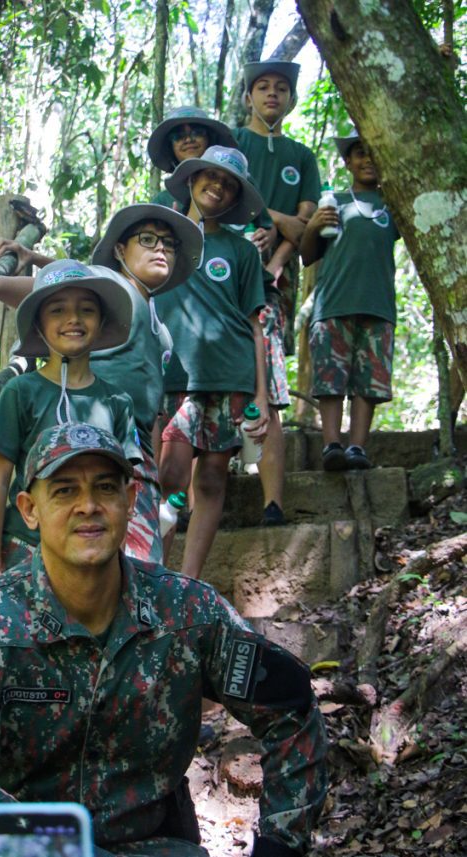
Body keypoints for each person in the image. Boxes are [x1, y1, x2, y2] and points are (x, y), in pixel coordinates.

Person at [0, 422, 328, 857]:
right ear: (30, 509)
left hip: (150, 853)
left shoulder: (187, 613)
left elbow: (291, 707)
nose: (88, 505)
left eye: (105, 488)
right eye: (65, 491)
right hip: (17, 852)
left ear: (130, 500)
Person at [0, 204, 203, 564]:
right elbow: (58, 290)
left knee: (125, 565)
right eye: (147, 239)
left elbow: (153, 410)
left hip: (129, 451)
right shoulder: (117, 283)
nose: (160, 248)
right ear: (120, 250)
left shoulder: (157, 324)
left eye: (168, 243)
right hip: (87, 440)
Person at [0, 260, 142, 588]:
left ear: (102, 321)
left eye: (86, 309)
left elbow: (122, 487)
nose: (73, 319)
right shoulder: (21, 392)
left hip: (90, 546)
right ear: (38, 324)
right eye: (57, 310)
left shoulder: (117, 401)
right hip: (25, 546)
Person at [156, 145, 269, 578]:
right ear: (191, 179)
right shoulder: (164, 240)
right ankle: (154, 575)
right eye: (211, 177)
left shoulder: (242, 252)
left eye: (228, 184)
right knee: (171, 475)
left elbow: (255, 325)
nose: (217, 187)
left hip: (231, 376)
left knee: (211, 478)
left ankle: (188, 581)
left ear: (236, 197)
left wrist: (261, 395)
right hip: (175, 377)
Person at [234, 60, 322, 527]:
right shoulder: (232, 142)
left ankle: (273, 503)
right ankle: (192, 499)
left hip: (274, 284)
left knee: (267, 383)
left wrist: (277, 259)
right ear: (248, 96)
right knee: (213, 381)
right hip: (224, 276)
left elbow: (304, 227)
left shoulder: (301, 156)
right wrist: (272, 217)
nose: (272, 94)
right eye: (263, 86)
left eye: (282, 88)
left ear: (291, 98)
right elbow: (218, 198)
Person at [300, 130, 400, 471]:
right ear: (347, 162)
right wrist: (312, 227)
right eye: (359, 153)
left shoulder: (394, 204)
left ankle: (357, 447)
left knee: (369, 382)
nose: (367, 159)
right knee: (330, 378)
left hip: (378, 305)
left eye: (373, 152)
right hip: (333, 304)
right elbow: (308, 256)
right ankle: (331, 444)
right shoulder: (334, 201)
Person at [147, 106, 239, 209]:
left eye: (198, 133)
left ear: (210, 139)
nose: (188, 140)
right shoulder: (163, 202)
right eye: (178, 136)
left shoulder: (228, 190)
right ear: (170, 148)